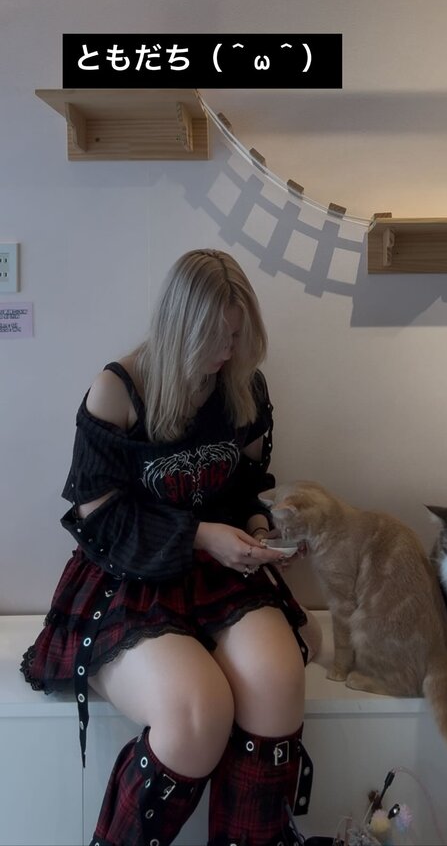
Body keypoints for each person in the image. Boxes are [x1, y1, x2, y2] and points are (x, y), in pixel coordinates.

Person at [21, 249, 313, 846]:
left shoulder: (242, 385)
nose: (227, 351)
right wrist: (200, 535)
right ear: (180, 327)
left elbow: (247, 488)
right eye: (215, 338)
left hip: (221, 572)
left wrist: (260, 533)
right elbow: (100, 519)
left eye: (236, 335)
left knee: (279, 682)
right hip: (128, 574)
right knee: (196, 712)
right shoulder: (118, 389)